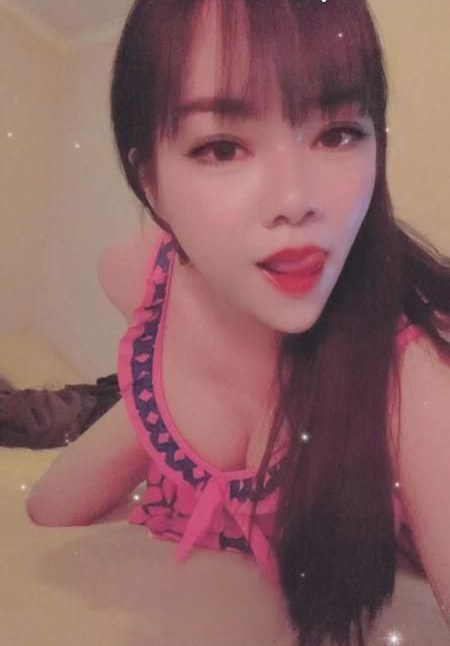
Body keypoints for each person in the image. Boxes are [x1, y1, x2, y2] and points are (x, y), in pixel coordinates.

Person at [26, 1, 450, 644]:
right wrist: (178, 373)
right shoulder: (140, 274)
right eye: (223, 147)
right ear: (151, 184)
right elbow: (49, 510)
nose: (295, 201)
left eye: (338, 134)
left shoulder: (410, 374)